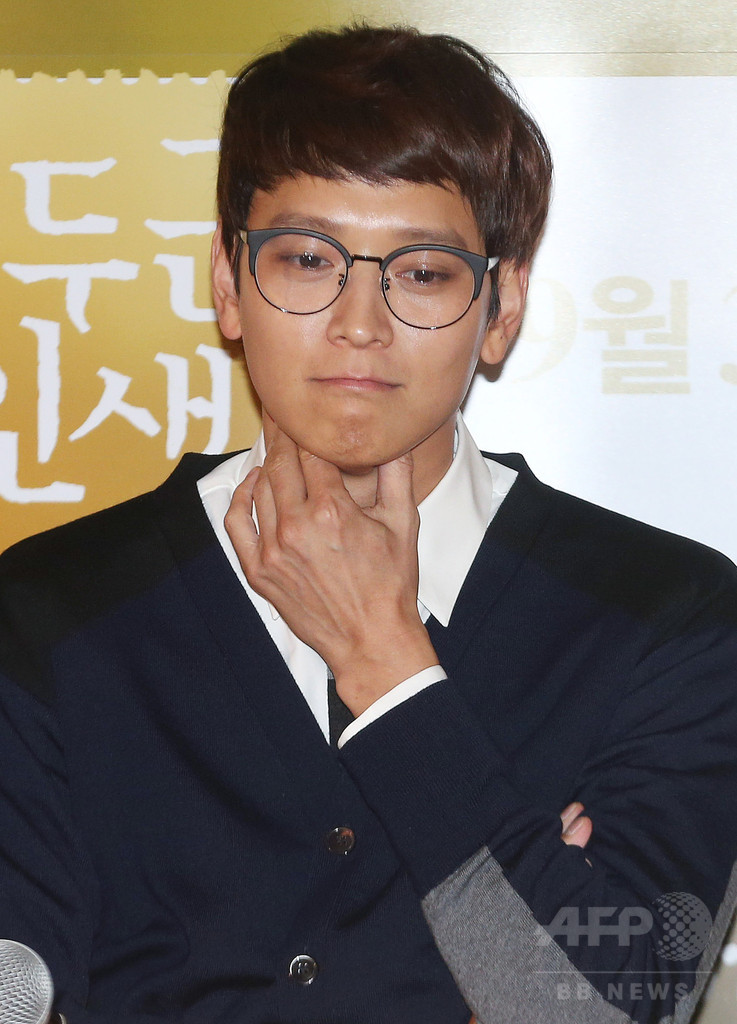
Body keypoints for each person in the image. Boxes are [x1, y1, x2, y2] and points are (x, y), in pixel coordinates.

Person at [0, 22, 736, 1024]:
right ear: (226, 281)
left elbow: (597, 1007)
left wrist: (386, 665)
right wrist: (510, 904)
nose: (359, 322)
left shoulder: (664, 617)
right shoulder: (55, 609)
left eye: (422, 271)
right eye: (308, 259)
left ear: (501, 307)